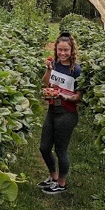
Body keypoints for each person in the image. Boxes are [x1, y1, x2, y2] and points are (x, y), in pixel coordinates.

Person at [38, 31, 82, 195]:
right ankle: (53, 177)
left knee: (60, 150)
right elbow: (47, 82)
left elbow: (79, 96)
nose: (63, 53)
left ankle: (62, 183)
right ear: (56, 49)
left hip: (67, 113)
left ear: (72, 51)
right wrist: (49, 69)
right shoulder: (55, 64)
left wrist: (64, 95)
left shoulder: (76, 70)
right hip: (52, 110)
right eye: (60, 50)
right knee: (44, 147)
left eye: (66, 50)